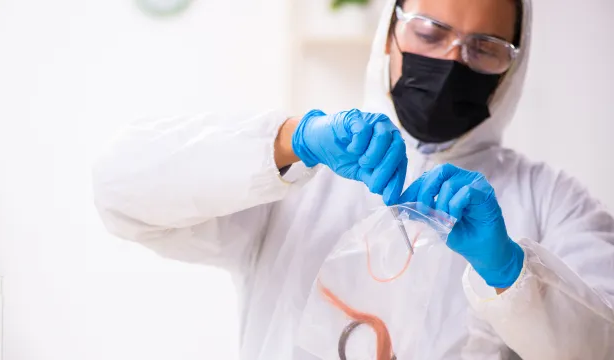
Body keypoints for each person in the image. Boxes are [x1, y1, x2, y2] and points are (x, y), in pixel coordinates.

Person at [92, 0, 614, 358]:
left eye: (486, 49)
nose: (452, 62)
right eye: (429, 32)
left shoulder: (552, 202)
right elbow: (120, 191)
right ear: (389, 32)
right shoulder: (302, 174)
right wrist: (289, 142)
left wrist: (511, 272)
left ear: (512, 68)